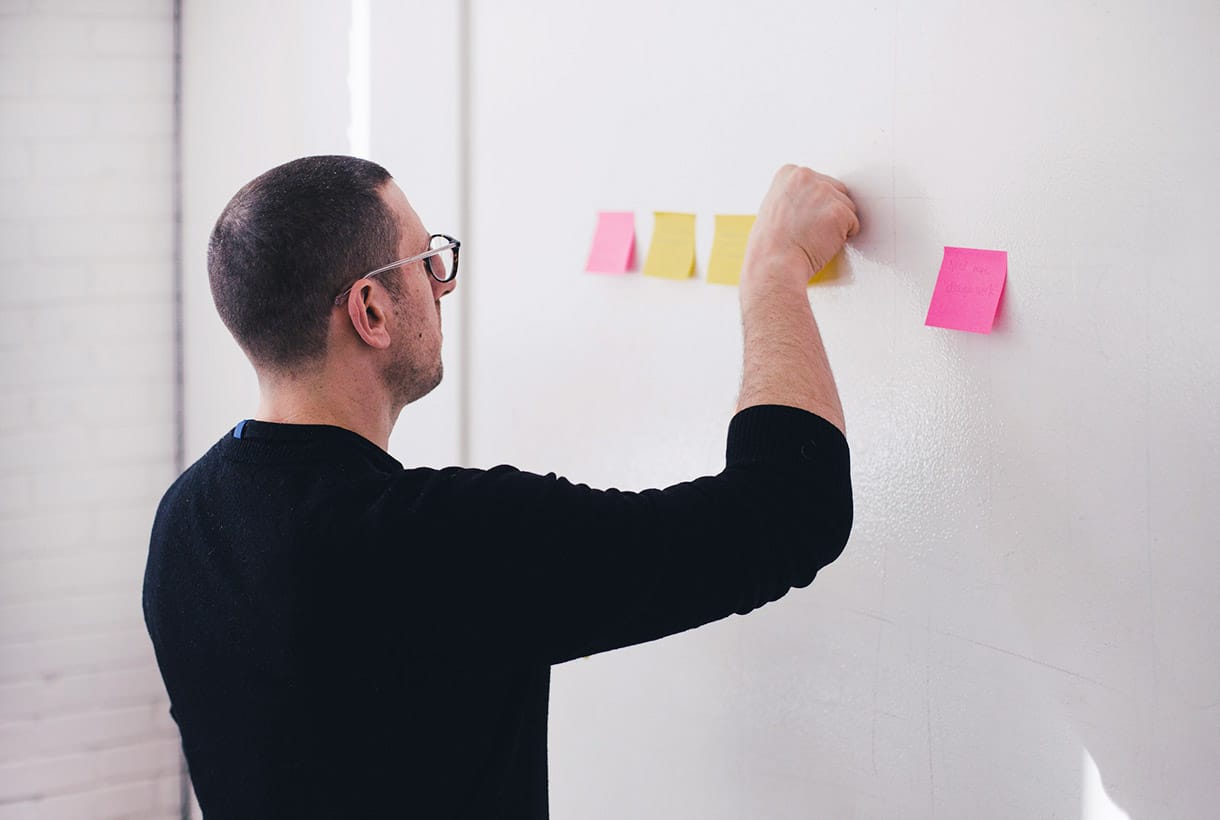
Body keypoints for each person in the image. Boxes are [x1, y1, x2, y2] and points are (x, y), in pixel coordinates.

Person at [143, 155, 860, 819]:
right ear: (371, 310)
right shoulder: (437, 543)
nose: (443, 284)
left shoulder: (184, 522)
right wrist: (775, 269)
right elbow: (790, 510)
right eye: (428, 264)